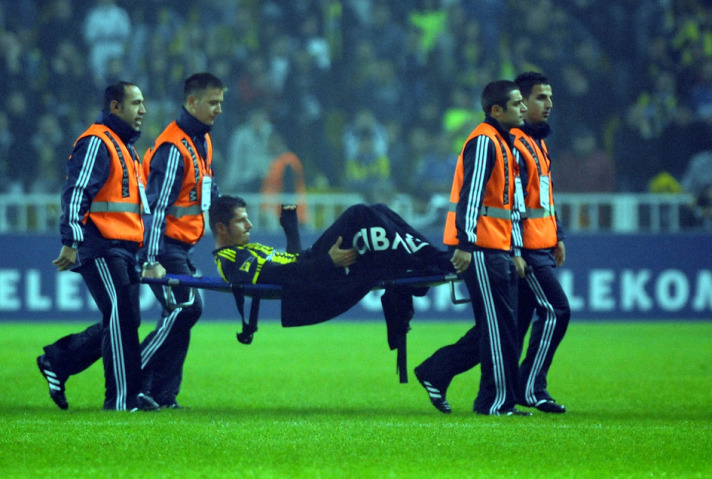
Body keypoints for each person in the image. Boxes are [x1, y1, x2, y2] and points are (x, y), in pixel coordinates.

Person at [37, 81, 159, 412]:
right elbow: (77, 191)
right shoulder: (97, 142)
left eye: (143, 103)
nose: (143, 110)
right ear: (115, 107)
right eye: (136, 103)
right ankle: (122, 399)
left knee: (123, 319)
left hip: (123, 247)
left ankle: (58, 361)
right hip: (101, 244)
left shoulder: (126, 148)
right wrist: (72, 239)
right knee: (121, 315)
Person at [414, 80, 530, 416]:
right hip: (479, 246)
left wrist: (515, 249)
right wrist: (465, 243)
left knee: (498, 326)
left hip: (497, 245)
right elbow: (471, 195)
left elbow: (508, 204)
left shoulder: (502, 142)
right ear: (497, 110)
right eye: (517, 103)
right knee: (498, 328)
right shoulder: (484, 141)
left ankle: (437, 371)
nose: (523, 109)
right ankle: (493, 403)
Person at [209, 195, 453, 348]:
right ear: (221, 228)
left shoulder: (245, 248)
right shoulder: (231, 259)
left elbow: (291, 261)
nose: (249, 225)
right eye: (241, 221)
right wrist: (328, 262)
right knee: (360, 214)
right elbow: (279, 276)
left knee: (377, 210)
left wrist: (290, 227)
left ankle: (426, 264)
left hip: (315, 263)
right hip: (320, 273)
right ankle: (438, 260)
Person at [139, 72, 225, 409]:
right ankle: (135, 372)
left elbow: (205, 190)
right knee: (187, 307)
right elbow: (158, 207)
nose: (219, 109)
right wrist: (151, 259)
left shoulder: (201, 141)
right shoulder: (174, 147)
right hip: (163, 248)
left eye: (221, 102)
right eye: (213, 102)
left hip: (180, 246)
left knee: (180, 313)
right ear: (192, 101)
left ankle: (162, 394)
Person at [511, 72, 570, 413]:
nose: (549, 104)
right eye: (540, 98)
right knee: (557, 310)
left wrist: (557, 235)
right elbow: (514, 203)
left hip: (542, 244)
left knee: (514, 324)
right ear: (521, 102)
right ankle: (531, 388)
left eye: (549, 97)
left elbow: (543, 197)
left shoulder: (538, 142)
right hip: (528, 249)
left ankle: (440, 372)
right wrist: (518, 250)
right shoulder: (517, 145)